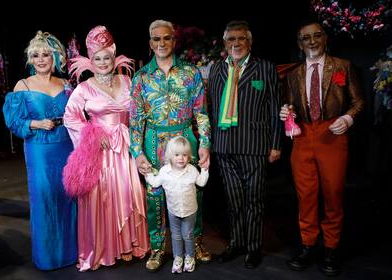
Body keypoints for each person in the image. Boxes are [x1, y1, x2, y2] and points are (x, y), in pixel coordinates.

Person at [279, 21, 364, 276]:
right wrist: (286, 111)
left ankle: (331, 248)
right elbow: (291, 105)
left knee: (333, 193)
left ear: (325, 39)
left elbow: (358, 101)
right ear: (299, 43)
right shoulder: (293, 74)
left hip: (332, 135)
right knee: (305, 195)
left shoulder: (342, 66)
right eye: (306, 38)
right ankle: (307, 246)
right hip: (303, 136)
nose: (312, 42)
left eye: (317, 36)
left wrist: (348, 119)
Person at [63, 25, 149, 271]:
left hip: (127, 148)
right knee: (105, 197)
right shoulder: (84, 88)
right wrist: (91, 134)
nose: (102, 62)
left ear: (114, 57)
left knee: (129, 192)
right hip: (100, 152)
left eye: (106, 57)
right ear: (91, 60)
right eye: (97, 58)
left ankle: (131, 245)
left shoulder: (127, 80)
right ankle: (105, 249)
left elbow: (139, 112)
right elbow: (70, 117)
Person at [130, 19, 212, 272]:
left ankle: (194, 243)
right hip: (154, 141)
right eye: (156, 39)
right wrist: (138, 152)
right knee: (155, 198)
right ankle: (157, 249)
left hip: (185, 140)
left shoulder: (191, 72)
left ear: (174, 41)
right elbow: (135, 120)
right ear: (150, 43)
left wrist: (205, 144)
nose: (162, 43)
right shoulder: (141, 77)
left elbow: (202, 114)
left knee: (192, 193)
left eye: (166, 38)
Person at [208, 20, 282, 269]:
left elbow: (274, 109)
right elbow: (209, 108)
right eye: (231, 39)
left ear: (250, 42)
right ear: (225, 43)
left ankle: (253, 247)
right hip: (224, 146)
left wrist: (275, 144)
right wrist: (209, 144)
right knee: (233, 198)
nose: (236, 43)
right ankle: (236, 242)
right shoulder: (216, 69)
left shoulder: (265, 69)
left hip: (255, 146)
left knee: (254, 199)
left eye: (241, 39)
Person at [2, 31, 77, 270]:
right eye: (36, 55)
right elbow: (13, 121)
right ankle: (48, 257)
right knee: (45, 198)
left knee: (68, 197)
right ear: (30, 59)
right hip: (39, 149)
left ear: (55, 57)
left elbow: (77, 115)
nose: (41, 59)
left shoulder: (65, 84)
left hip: (66, 146)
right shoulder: (22, 86)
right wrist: (35, 123)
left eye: (46, 54)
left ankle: (72, 253)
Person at [145, 136, 209, 274]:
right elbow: (155, 183)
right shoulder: (164, 171)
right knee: (175, 235)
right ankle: (178, 257)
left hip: (190, 210)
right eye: (177, 155)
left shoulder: (192, 170)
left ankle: (190, 257)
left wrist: (205, 170)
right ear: (169, 156)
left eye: (185, 155)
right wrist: (148, 173)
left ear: (189, 156)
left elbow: (201, 183)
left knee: (187, 234)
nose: (181, 158)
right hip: (173, 210)